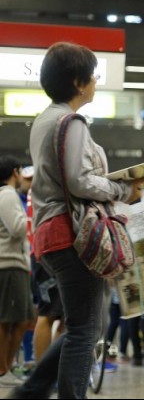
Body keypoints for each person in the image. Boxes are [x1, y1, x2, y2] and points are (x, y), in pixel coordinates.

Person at [11, 41, 144, 399]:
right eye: (93, 76)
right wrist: (123, 191)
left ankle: (30, 392)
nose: (96, 81)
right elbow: (78, 181)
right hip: (71, 233)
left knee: (80, 326)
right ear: (77, 82)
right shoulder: (71, 122)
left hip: (50, 233)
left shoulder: (44, 120)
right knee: (86, 329)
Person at [0, 157, 33, 385]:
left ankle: (6, 367)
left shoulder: (7, 195)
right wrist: (32, 214)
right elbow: (18, 229)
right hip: (8, 265)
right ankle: (3, 370)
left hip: (15, 265)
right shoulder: (8, 195)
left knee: (22, 319)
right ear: (15, 172)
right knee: (8, 320)